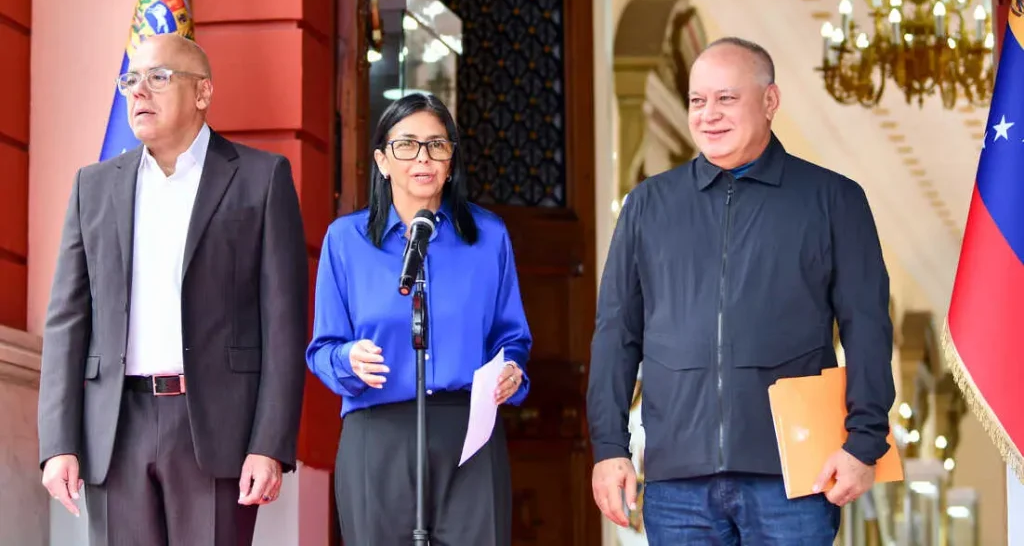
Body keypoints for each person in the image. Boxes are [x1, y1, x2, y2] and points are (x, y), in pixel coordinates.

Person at [587, 37, 896, 544]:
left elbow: (867, 326)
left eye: (726, 98)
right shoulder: (647, 206)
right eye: (697, 101)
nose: (709, 114)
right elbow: (616, 333)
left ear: (770, 102)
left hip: (795, 479)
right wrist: (608, 446)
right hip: (676, 483)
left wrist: (865, 442)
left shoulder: (833, 200)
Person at [37, 33, 309, 546]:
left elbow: (283, 323)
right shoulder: (92, 187)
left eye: (158, 78)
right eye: (130, 80)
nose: (139, 92)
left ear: (202, 92)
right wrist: (58, 443)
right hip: (115, 427)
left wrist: (269, 444)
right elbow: (67, 320)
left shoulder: (260, 178)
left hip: (215, 427)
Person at [306, 92, 532, 546]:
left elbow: (512, 338)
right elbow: (322, 349)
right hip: (378, 434)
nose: (423, 158)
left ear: (451, 160)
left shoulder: (488, 237)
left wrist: (511, 369)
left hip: (468, 436)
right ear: (382, 160)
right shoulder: (345, 240)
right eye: (406, 145)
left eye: (437, 145)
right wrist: (349, 359)